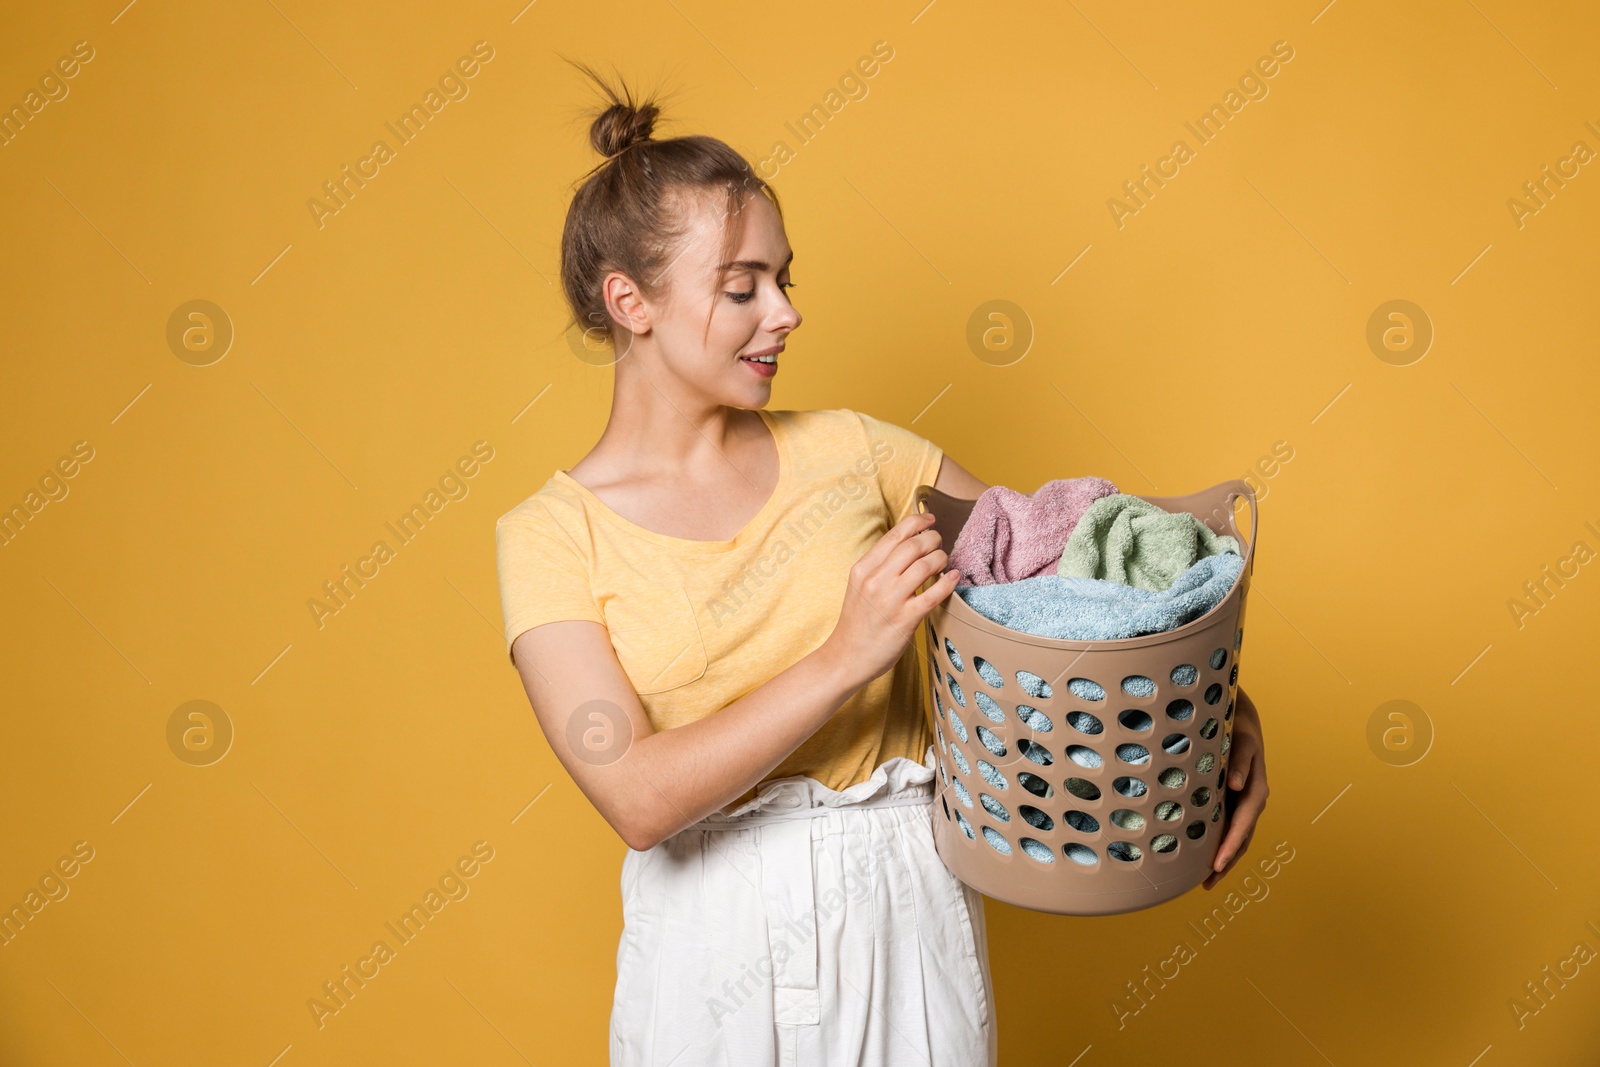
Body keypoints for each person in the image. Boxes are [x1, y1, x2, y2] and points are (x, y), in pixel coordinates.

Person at [495, 65, 1270, 1067]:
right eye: (743, 287)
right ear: (628, 301)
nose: (784, 312)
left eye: (784, 277)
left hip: (902, 889)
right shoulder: (552, 534)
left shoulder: (860, 452)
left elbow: (1057, 596)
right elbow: (637, 797)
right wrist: (845, 654)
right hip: (707, 933)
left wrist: (1204, 705)